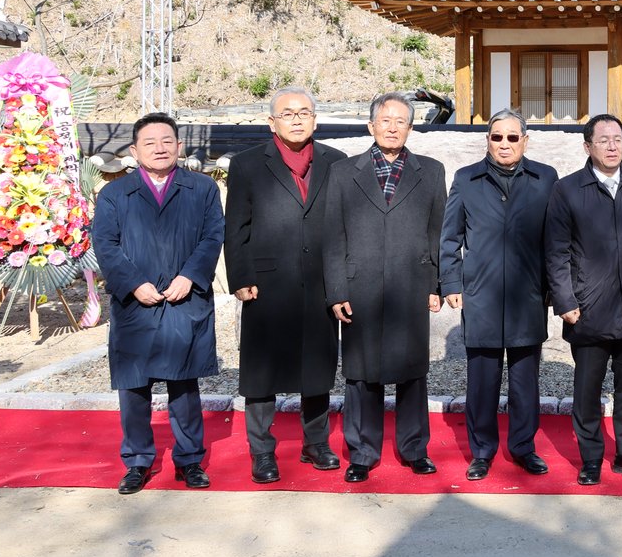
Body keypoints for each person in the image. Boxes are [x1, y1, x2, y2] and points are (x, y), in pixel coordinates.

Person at [93, 112, 224, 495]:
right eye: (150, 143)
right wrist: (133, 284)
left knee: (184, 385)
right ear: (134, 150)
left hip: (185, 298)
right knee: (134, 388)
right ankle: (137, 462)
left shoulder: (201, 189)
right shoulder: (115, 193)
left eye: (167, 141)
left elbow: (213, 234)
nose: (160, 148)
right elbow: (106, 244)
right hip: (136, 303)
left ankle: (190, 460)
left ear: (179, 146)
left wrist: (190, 276)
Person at [224, 87, 345, 484]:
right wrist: (240, 277)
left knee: (317, 366)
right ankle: (261, 451)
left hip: (321, 280)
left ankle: (316, 443)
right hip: (267, 283)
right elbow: (236, 227)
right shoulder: (247, 164)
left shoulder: (336, 162)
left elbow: (345, 226)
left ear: (315, 118)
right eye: (287, 113)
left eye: (304, 112)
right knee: (262, 371)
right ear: (271, 121)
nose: (297, 119)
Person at [323, 92, 446, 483]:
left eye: (401, 121)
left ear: (411, 128)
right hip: (360, 287)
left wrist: (435, 284)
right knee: (361, 373)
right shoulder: (344, 172)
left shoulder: (431, 170)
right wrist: (337, 290)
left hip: (411, 284)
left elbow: (436, 233)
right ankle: (362, 452)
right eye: (385, 120)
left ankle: (415, 448)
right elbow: (332, 236)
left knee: (413, 372)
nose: (393, 127)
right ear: (371, 125)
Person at [546, 114, 622, 486]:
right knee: (587, 388)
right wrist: (565, 300)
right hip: (587, 307)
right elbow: (556, 251)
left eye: (618, 139)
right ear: (588, 147)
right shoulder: (568, 190)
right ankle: (592, 457)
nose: (613, 146)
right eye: (604, 140)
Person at [440, 108, 559, 481]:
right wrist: (452, 283)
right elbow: (449, 238)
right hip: (482, 296)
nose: (504, 144)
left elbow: (557, 240)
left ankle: (524, 447)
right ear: (487, 140)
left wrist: (556, 288)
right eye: (497, 137)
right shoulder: (467, 179)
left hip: (528, 296)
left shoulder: (545, 179)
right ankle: (483, 451)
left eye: (512, 137)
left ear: (525, 140)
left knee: (526, 382)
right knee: (482, 382)